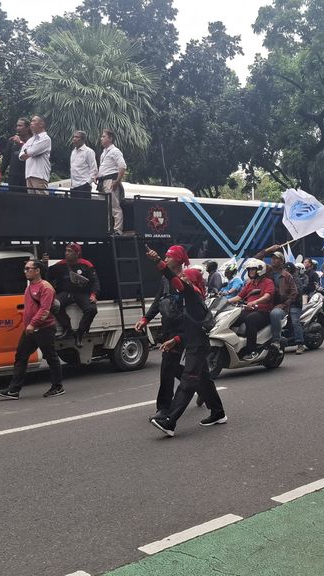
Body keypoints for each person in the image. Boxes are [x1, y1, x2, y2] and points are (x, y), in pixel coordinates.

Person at [145, 250, 226, 437]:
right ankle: (218, 413)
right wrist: (175, 340)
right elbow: (189, 328)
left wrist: (157, 260)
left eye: (185, 278)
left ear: (191, 282)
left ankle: (169, 422)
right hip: (192, 342)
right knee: (204, 380)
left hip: (197, 346)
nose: (181, 280)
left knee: (188, 381)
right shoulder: (189, 300)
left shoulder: (192, 295)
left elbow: (173, 279)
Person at [136, 245, 196, 417]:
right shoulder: (165, 280)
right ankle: (204, 391)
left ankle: (163, 408)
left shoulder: (185, 279)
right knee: (182, 368)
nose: (166, 259)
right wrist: (145, 318)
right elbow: (158, 301)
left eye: (169, 257)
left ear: (177, 260)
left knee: (168, 368)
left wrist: (178, 337)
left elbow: (191, 308)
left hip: (184, 328)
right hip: (169, 328)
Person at [0, 259, 63, 399]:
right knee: (21, 356)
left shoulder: (46, 287)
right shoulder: (29, 287)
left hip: (44, 328)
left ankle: (57, 387)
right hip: (30, 329)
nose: (25, 271)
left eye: (28, 269)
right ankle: (13, 390)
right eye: (25, 269)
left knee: (51, 357)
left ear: (37, 270)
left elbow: (44, 310)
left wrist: (33, 323)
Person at [50, 243, 99, 347]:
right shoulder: (60, 265)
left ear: (77, 253)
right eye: (66, 251)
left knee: (92, 309)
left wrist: (93, 295)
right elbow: (47, 275)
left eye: (70, 251)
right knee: (53, 305)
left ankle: (80, 333)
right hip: (66, 293)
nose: (67, 253)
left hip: (82, 293)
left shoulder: (87, 264)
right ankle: (67, 328)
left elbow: (95, 282)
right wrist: (44, 264)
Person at [227, 259, 275, 360]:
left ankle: (252, 350)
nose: (251, 272)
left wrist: (255, 302)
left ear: (260, 270)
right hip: (249, 310)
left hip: (263, 312)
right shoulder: (250, 284)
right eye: (249, 270)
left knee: (250, 320)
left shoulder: (268, 282)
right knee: (231, 318)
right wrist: (225, 301)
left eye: (253, 269)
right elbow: (239, 297)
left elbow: (267, 296)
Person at [263, 251, 298, 349]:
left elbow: (294, 293)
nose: (273, 260)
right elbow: (255, 259)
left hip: (281, 306)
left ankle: (276, 340)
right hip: (265, 303)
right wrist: (269, 249)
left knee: (275, 314)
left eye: (276, 258)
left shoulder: (287, 276)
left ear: (282, 261)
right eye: (272, 258)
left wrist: (284, 305)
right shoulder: (267, 272)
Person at [97, 129, 128, 235]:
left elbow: (122, 166)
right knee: (105, 207)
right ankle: (108, 229)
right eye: (101, 136)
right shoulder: (103, 153)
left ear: (110, 139)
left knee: (114, 207)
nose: (101, 138)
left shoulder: (115, 151)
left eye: (103, 136)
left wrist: (117, 181)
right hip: (103, 181)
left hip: (111, 180)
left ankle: (118, 230)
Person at [19, 115, 51, 194]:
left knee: (41, 203)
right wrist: (27, 152)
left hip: (39, 175)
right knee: (32, 203)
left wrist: (27, 152)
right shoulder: (31, 139)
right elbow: (21, 155)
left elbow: (32, 152)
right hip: (29, 174)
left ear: (41, 124)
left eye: (34, 121)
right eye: (31, 121)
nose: (31, 123)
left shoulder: (46, 138)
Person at [283, 262, 307, 354]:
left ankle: (300, 344)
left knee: (295, 322)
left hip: (294, 304)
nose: (285, 271)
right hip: (284, 304)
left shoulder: (295, 279)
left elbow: (297, 292)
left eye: (286, 269)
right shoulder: (281, 278)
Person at [0, 118, 30, 189]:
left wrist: (20, 143)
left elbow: (31, 154)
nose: (18, 128)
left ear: (27, 128)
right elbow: (6, 158)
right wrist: (0, 173)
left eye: (20, 126)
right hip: (13, 176)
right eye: (17, 126)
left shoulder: (31, 141)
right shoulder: (12, 140)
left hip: (26, 177)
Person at [68, 130, 98, 199]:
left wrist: (87, 183)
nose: (74, 139)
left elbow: (94, 169)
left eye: (77, 137)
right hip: (73, 186)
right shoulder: (73, 152)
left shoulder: (88, 152)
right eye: (74, 137)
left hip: (83, 186)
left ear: (83, 139)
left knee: (84, 208)